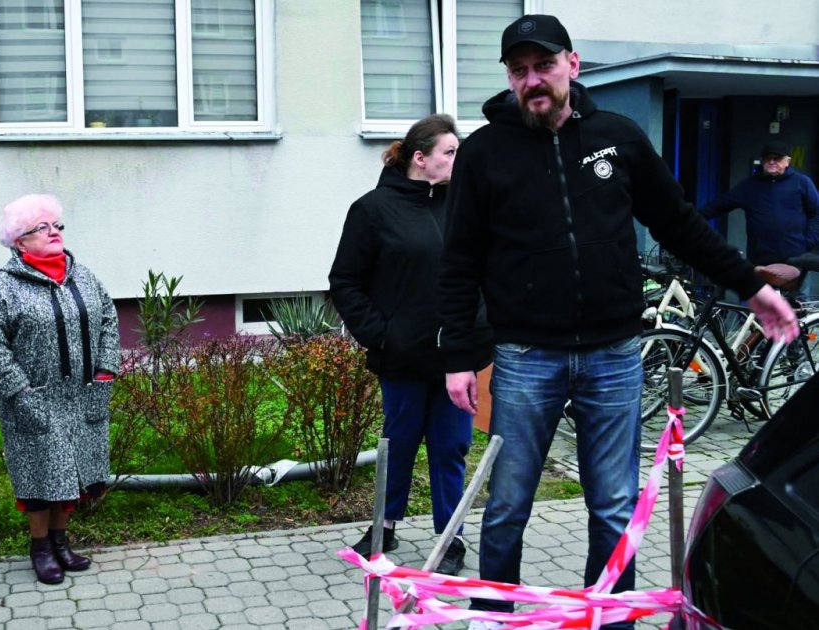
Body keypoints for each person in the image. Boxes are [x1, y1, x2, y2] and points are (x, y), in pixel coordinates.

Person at [437, 15, 799, 630]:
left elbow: (679, 223)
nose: (533, 80)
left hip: (613, 354)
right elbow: (460, 259)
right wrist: (457, 355)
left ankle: (611, 621)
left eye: (543, 66)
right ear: (509, 78)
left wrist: (751, 285)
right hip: (526, 356)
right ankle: (494, 617)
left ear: (572, 66)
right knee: (507, 507)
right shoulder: (483, 153)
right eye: (519, 70)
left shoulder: (619, 137)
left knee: (612, 506)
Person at [328, 114, 492, 574]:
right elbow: (345, 283)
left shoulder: (465, 207)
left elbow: (485, 274)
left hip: (458, 359)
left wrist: (484, 327)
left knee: (451, 448)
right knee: (397, 443)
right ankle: (384, 527)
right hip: (402, 357)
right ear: (420, 159)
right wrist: (383, 335)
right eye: (450, 152)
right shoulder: (373, 210)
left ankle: (451, 537)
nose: (459, 160)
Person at [0, 194, 121, 585]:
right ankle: (40, 547)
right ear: (19, 241)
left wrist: (106, 370)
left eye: (56, 225)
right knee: (40, 476)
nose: (54, 232)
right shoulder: (4, 287)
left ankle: (61, 543)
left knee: (72, 474)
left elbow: (108, 317)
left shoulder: (83, 276)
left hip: (82, 395)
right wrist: (18, 390)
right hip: (34, 398)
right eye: (42, 228)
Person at [700, 141, 819, 268]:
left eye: (777, 158)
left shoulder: (802, 182)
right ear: (762, 161)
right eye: (768, 158)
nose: (772, 162)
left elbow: (817, 212)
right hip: (761, 259)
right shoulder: (749, 186)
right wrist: (687, 219)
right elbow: (717, 206)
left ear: (787, 161)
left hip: (797, 258)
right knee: (759, 288)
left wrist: (809, 241)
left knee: (797, 288)